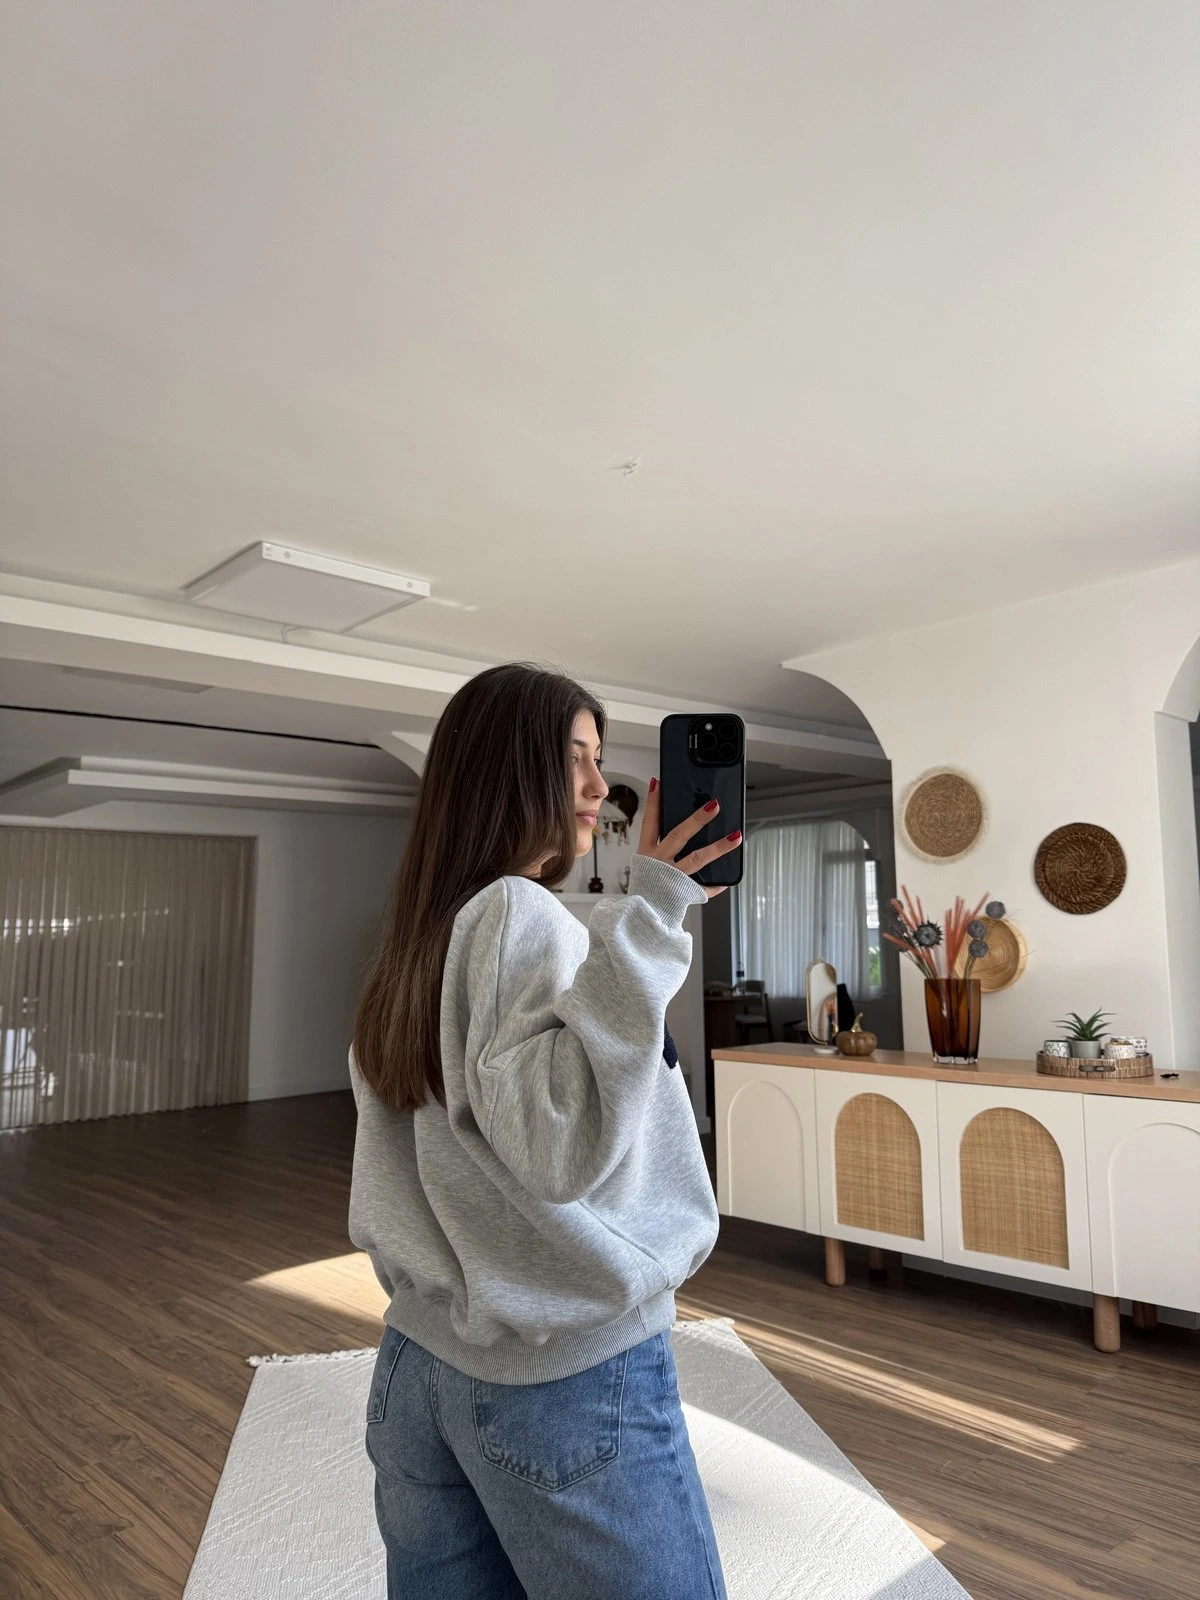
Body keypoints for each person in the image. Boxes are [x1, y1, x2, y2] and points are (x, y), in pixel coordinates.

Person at [348, 662, 740, 1600]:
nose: (601, 788)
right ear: (505, 769)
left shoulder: (421, 934)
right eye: (575, 759)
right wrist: (654, 913)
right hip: (555, 1379)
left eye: (599, 760)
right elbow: (559, 1143)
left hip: (419, 1367)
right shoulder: (515, 911)